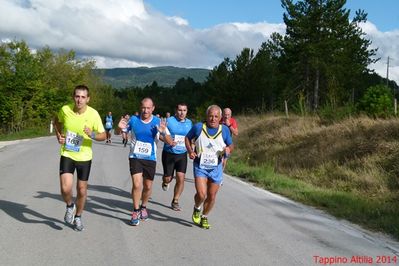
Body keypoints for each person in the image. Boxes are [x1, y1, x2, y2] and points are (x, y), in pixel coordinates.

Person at [53, 85, 106, 231]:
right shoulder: (65, 110)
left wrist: (93, 134)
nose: (79, 100)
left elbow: (104, 135)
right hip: (68, 153)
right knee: (65, 188)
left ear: (88, 99)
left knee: (81, 190)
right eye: (77, 96)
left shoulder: (93, 114)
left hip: (84, 156)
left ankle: (78, 216)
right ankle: (70, 205)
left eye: (83, 97)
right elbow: (56, 122)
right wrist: (58, 135)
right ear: (73, 97)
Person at [119, 98, 173, 226]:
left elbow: (169, 141)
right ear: (140, 107)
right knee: (137, 184)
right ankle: (135, 210)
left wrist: (163, 132)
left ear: (153, 108)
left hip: (150, 158)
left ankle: (143, 206)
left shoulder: (158, 122)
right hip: (135, 156)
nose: (145, 110)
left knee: (147, 186)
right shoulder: (133, 120)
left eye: (148, 108)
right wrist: (119, 129)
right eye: (143, 107)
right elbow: (121, 131)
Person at [185, 105, 233, 229]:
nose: (213, 119)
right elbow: (187, 138)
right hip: (200, 165)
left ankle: (204, 217)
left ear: (220, 118)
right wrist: (190, 151)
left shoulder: (225, 130)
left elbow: (231, 145)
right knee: (201, 194)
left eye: (216, 116)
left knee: (212, 195)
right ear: (206, 116)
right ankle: (197, 208)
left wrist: (228, 149)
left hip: (216, 167)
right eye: (211, 116)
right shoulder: (199, 127)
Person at [160, 103, 193, 211]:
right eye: (180, 110)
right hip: (169, 153)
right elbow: (160, 135)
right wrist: (168, 141)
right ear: (176, 110)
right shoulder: (169, 121)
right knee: (168, 178)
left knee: (181, 178)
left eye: (184, 110)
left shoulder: (189, 123)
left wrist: (191, 149)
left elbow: (190, 138)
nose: (182, 112)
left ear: (187, 111)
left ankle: (175, 200)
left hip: (182, 154)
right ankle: (165, 182)